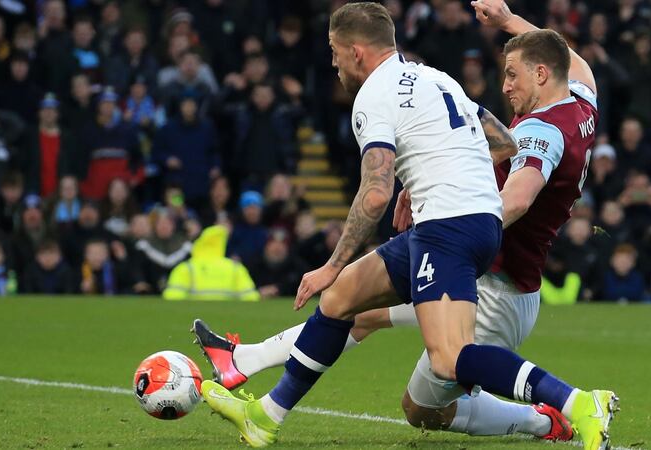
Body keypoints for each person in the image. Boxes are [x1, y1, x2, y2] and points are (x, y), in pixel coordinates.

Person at [198, 4, 615, 450]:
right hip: (453, 230)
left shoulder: (538, 131)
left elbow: (387, 192)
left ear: (356, 52)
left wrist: (333, 263)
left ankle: (570, 406)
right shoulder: (450, 79)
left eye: (335, 52)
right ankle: (260, 403)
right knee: (345, 302)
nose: (505, 84)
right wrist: (510, 21)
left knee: (437, 383)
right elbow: (503, 136)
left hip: (484, 265)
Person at [162, 225, 259, 301]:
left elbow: (172, 297)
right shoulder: (235, 268)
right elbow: (251, 298)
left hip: (195, 321)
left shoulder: (186, 268)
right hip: (228, 322)